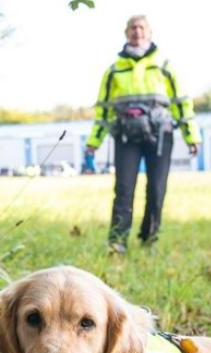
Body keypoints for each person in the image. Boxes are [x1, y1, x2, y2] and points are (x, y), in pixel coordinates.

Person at [85, 15, 200, 254]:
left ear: (149, 32)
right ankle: (117, 242)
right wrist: (93, 142)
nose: (137, 32)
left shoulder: (164, 66)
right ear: (126, 33)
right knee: (124, 189)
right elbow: (103, 111)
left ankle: (149, 238)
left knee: (157, 188)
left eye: (141, 28)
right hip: (126, 136)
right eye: (132, 28)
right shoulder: (114, 71)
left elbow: (181, 103)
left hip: (160, 136)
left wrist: (192, 136)